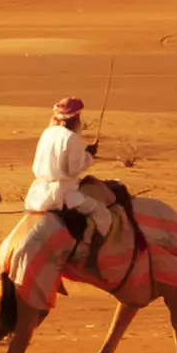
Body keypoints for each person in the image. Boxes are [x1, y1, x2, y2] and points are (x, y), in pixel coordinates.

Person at [24, 97, 113, 243]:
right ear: (76, 117)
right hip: (63, 192)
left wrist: (84, 152)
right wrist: (89, 155)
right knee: (102, 214)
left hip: (39, 191)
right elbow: (74, 169)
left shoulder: (47, 133)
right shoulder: (71, 138)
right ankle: (93, 258)